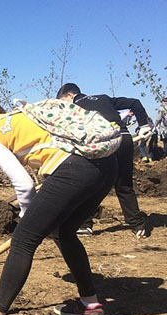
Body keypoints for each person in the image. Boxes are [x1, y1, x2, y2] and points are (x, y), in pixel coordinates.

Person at [0, 92, 118, 315]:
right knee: (64, 232)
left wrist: (27, 219)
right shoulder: (22, 116)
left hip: (73, 169)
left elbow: (24, 185)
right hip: (105, 166)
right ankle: (90, 304)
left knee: (23, 240)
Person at [56, 83, 150, 238]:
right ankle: (138, 226)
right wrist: (144, 125)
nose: (63, 105)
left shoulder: (75, 107)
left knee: (91, 184)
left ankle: (85, 224)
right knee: (124, 184)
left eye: (62, 100)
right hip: (124, 139)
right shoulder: (104, 98)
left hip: (104, 144)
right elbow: (134, 102)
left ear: (70, 95)